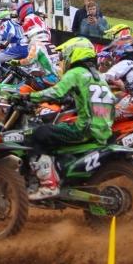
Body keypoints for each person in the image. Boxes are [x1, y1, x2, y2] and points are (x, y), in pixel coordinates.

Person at [24, 37, 116, 199]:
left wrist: (30, 97)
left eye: (66, 55)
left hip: (84, 130)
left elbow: (56, 92)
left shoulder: (76, 73)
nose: (64, 59)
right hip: (104, 131)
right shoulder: (99, 77)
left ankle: (48, 185)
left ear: (75, 53)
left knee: (39, 133)